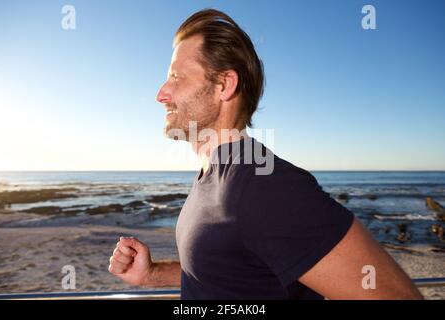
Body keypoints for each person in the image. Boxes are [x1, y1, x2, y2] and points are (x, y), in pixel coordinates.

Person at [109, 9, 423, 300]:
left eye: (177, 76)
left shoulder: (262, 185)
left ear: (224, 85)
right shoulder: (216, 175)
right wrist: (152, 275)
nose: (161, 93)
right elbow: (230, 277)